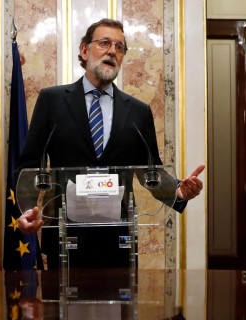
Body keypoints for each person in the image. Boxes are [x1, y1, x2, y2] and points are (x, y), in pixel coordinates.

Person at [17, 18, 204, 236]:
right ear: (85, 50)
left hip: (118, 236)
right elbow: (29, 165)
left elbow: (149, 170)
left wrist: (177, 190)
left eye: (120, 47)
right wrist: (27, 211)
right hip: (63, 234)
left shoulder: (138, 111)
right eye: (105, 43)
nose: (113, 51)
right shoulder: (52, 100)